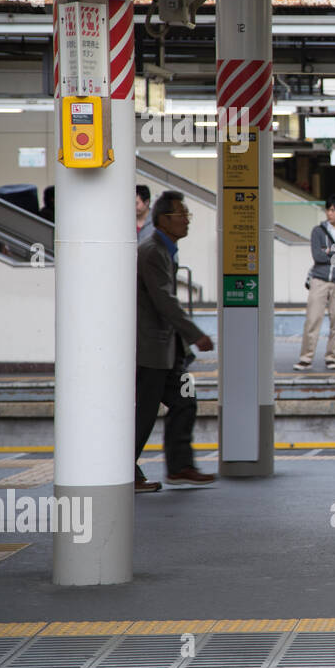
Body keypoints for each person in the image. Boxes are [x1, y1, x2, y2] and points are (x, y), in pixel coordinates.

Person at [134, 191, 216, 492]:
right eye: (182, 214)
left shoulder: (165, 249)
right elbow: (164, 302)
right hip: (150, 348)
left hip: (166, 350)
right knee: (144, 413)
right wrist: (196, 335)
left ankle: (180, 467)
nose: (186, 221)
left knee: (184, 400)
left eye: (187, 215)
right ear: (163, 220)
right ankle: (123, 472)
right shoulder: (152, 251)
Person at [295, 194, 335, 370]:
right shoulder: (318, 231)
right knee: (313, 319)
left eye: (333, 210)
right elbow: (317, 256)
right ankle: (306, 357)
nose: (329, 213)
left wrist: (328, 250)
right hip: (319, 279)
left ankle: (332, 357)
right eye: (328, 209)